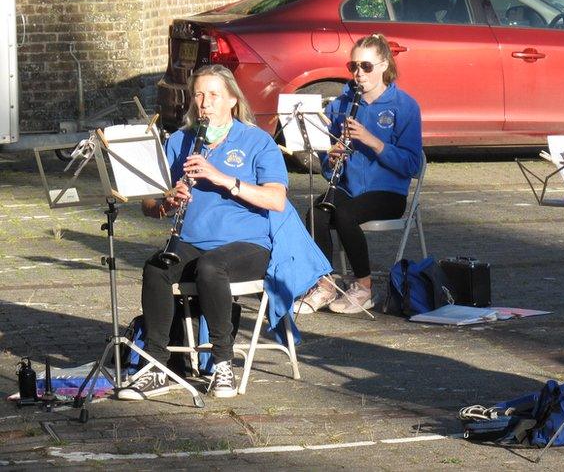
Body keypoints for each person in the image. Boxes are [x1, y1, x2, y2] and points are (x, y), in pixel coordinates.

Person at [122, 64, 290, 400]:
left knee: (212, 268)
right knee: (156, 268)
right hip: (191, 241)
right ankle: (158, 365)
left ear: (231, 100)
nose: (204, 103)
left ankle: (222, 363)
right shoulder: (181, 140)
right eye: (198, 95)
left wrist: (223, 178)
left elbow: (276, 199)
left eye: (213, 95)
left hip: (247, 245)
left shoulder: (257, 141)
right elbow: (148, 204)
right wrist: (167, 200)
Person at [295, 34, 423, 315]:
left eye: (366, 66)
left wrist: (373, 141)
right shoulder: (341, 104)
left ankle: (363, 287)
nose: (358, 74)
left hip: (388, 192)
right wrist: (329, 157)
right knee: (316, 213)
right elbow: (330, 170)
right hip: (350, 187)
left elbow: (412, 164)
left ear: (384, 64)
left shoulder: (404, 106)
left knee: (345, 215)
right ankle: (325, 283)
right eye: (353, 66)